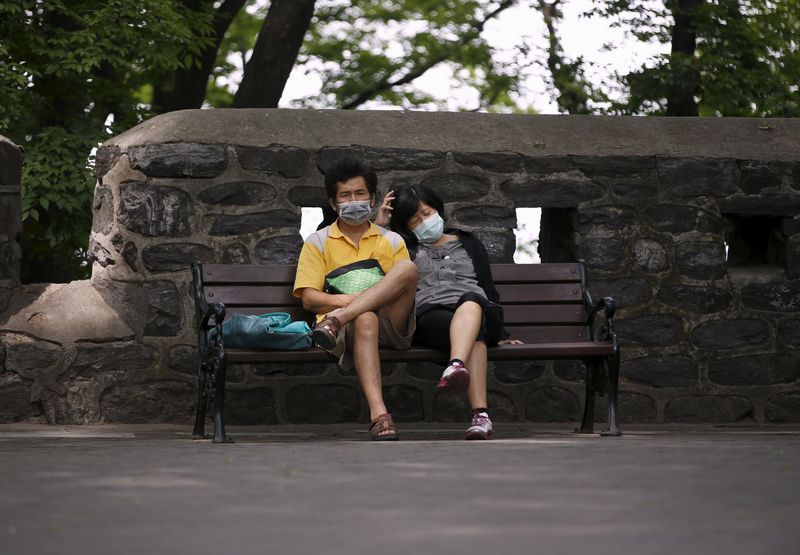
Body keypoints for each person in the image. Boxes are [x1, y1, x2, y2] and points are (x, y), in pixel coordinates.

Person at [383, 184, 522, 440]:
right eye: (415, 219)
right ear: (405, 226)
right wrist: (381, 226)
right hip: (432, 316)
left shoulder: (468, 242)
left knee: (472, 301)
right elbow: (377, 264)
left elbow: (488, 288)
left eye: (427, 213)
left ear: (438, 208)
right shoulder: (403, 248)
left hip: (477, 309)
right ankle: (481, 416)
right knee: (476, 334)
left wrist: (501, 332)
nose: (424, 221)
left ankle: (455, 365)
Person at [293, 157, 417, 441]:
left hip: (390, 326)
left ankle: (337, 320)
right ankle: (379, 416)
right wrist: (356, 300)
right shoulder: (318, 242)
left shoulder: (392, 240)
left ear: (373, 198)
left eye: (360, 193)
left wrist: (340, 312)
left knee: (407, 268)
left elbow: (404, 287)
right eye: (345, 195)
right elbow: (310, 300)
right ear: (334, 203)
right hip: (346, 333)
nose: (353, 200)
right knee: (364, 315)